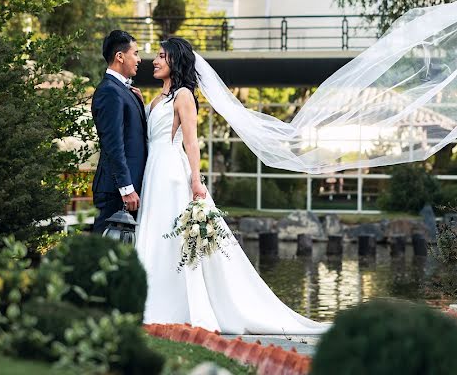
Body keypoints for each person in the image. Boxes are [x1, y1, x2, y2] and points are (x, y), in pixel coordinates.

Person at [134, 37, 328, 334]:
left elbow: (190, 141)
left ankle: (173, 305)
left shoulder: (184, 95)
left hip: (172, 172)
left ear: (175, 61)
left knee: (171, 238)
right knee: (156, 234)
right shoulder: (157, 99)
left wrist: (196, 180)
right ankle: (149, 298)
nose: (155, 61)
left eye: (161, 56)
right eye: (156, 56)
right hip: (154, 170)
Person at [91, 30, 147, 234]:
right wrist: (126, 188)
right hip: (116, 192)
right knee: (104, 255)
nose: (139, 59)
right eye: (136, 53)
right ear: (120, 56)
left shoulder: (124, 91)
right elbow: (113, 143)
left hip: (128, 190)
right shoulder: (109, 91)